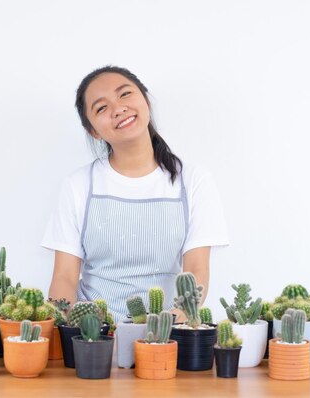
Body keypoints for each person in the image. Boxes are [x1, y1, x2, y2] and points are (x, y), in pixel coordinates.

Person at [42, 66, 229, 322]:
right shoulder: (78, 185)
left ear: (146, 101)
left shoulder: (194, 181)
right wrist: (75, 331)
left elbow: (196, 270)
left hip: (166, 331)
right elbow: (64, 277)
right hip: (95, 334)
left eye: (125, 94)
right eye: (101, 108)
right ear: (93, 131)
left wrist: (169, 325)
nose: (118, 109)